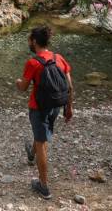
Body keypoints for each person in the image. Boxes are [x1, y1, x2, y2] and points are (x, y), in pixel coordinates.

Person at [15, 25, 74, 200]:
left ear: (34, 41)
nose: (29, 43)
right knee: (42, 133)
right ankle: (31, 154)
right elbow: (69, 86)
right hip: (56, 106)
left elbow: (24, 87)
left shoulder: (33, 62)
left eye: (29, 40)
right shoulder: (59, 58)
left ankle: (44, 186)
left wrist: (17, 81)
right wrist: (68, 108)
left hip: (38, 107)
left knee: (42, 143)